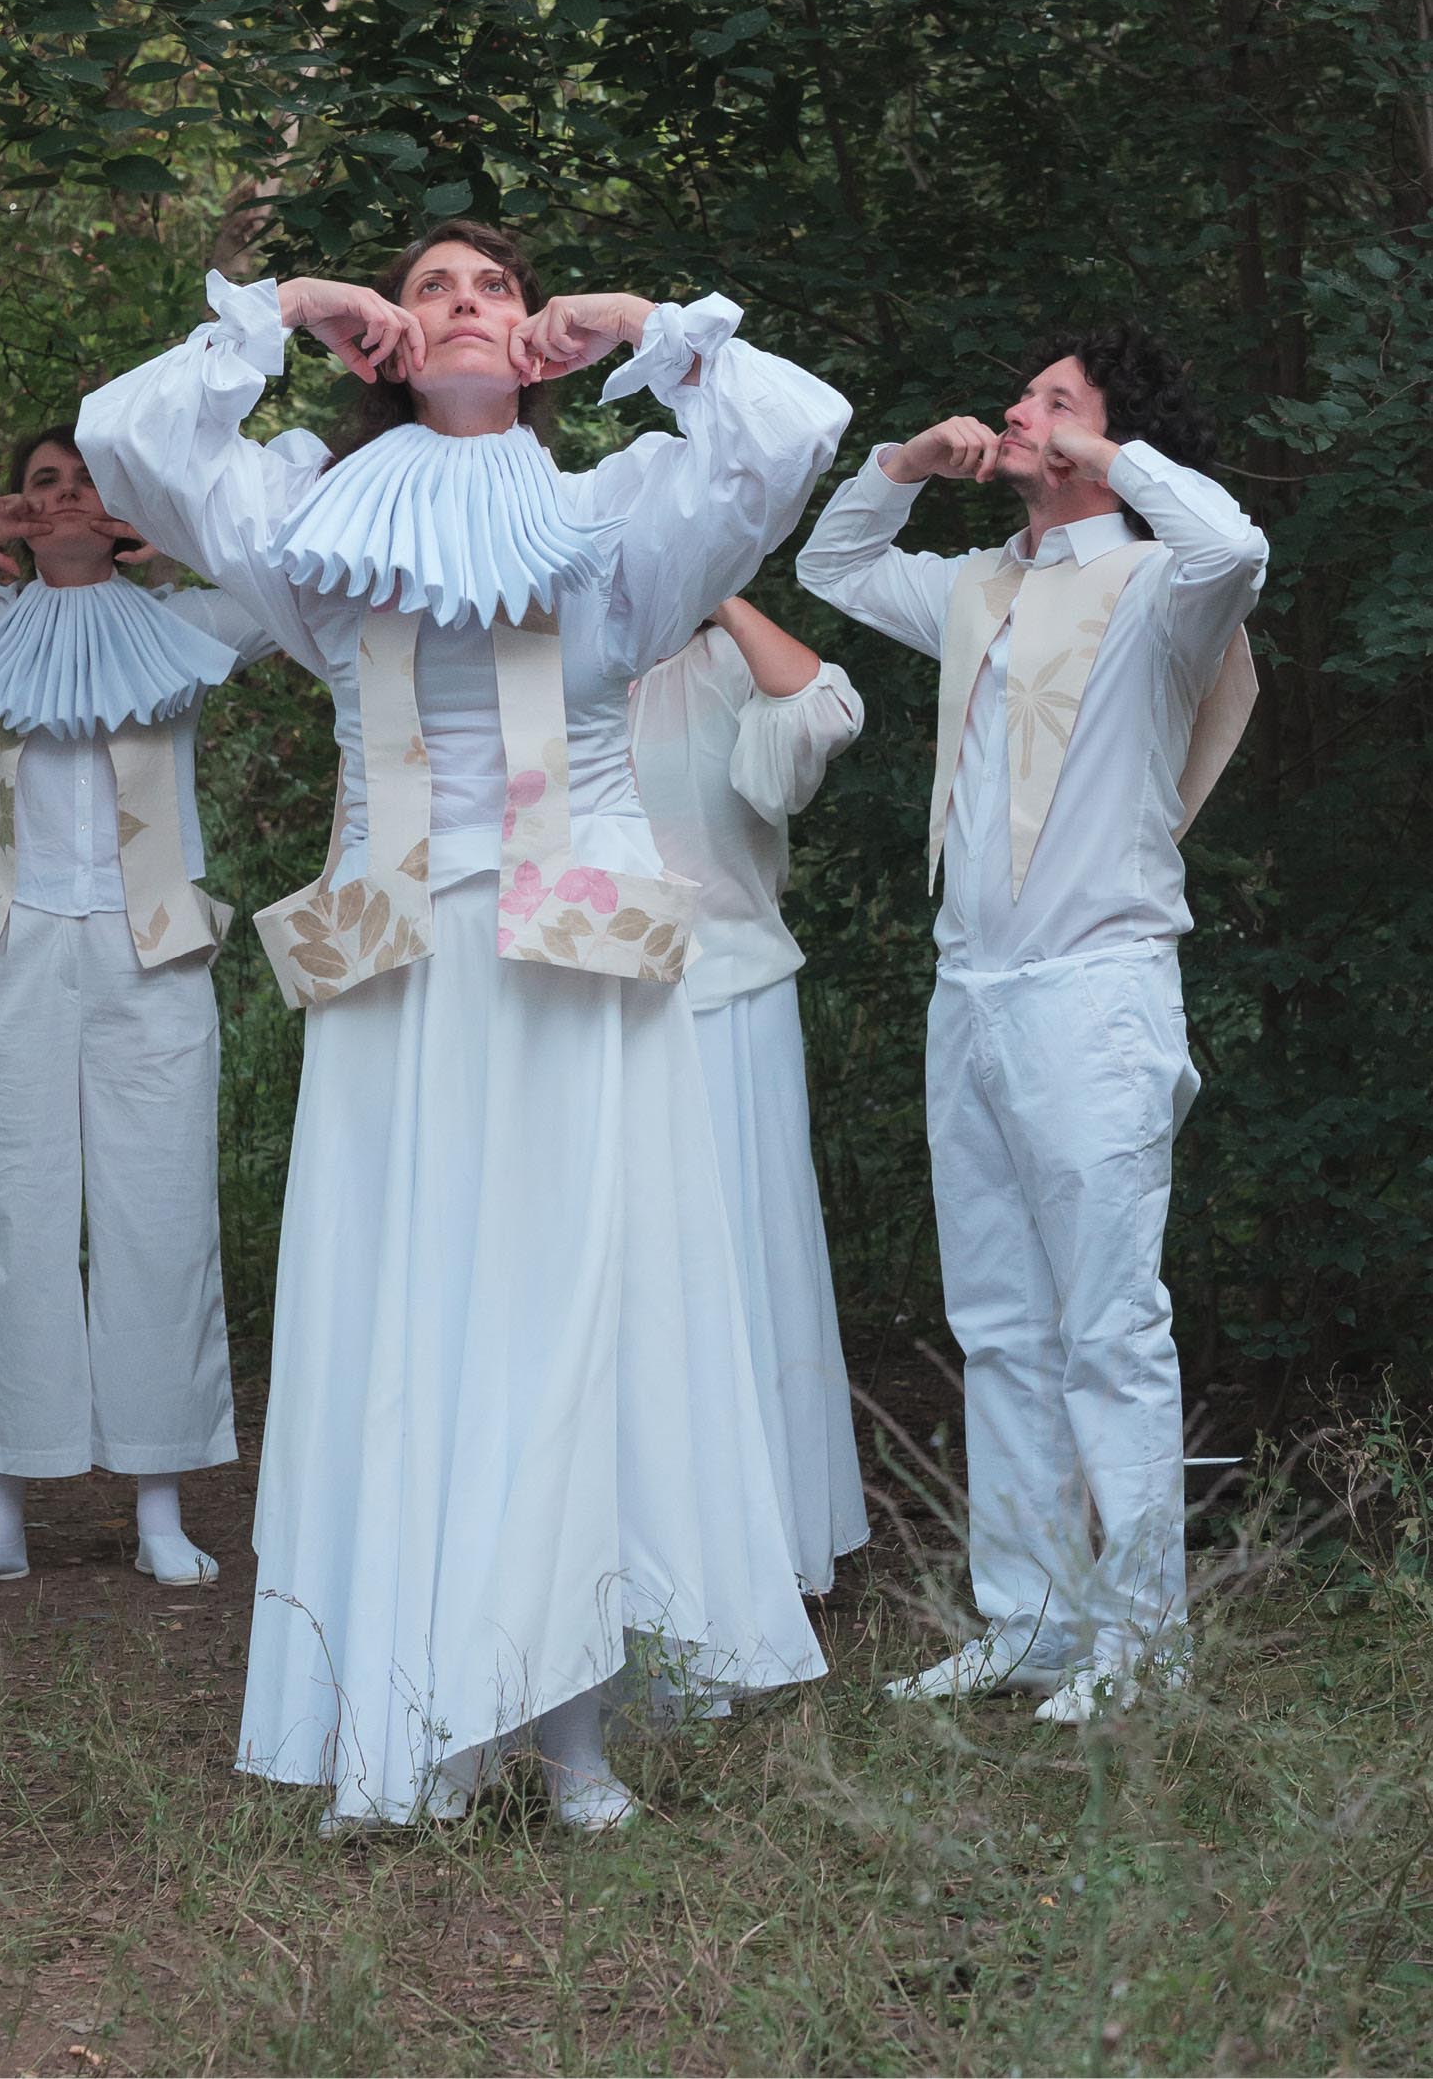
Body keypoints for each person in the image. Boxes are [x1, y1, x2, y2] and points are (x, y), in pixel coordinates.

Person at [78, 221, 850, 1833]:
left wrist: (633, 317)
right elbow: (126, 439)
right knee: (406, 1312)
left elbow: (790, 433)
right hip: (401, 964)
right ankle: (402, 1715)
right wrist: (291, 307)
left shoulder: (611, 516)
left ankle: (572, 1735)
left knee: (570, 1313)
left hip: (573, 960)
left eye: (493, 285)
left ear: (531, 330)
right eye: (432, 286)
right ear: (390, 338)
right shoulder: (311, 514)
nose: (466, 305)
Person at [795, 327, 1266, 1724]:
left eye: (1054, 400)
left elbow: (1236, 545)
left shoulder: (1158, 587)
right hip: (971, 993)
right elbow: (832, 568)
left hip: (1094, 993)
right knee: (999, 1322)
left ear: (1106, 441)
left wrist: (1108, 454)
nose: (1018, 410)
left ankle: (1144, 1638)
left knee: (1109, 1323)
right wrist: (899, 464)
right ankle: (1031, 1620)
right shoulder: (975, 586)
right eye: (1025, 395)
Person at [0, 426, 273, 1596]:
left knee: (159, 1212)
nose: (65, 495)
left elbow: (301, 565)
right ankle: (2, 1510)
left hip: (150, 941)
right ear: (17, 510)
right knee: (11, 1213)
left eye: (88, 481)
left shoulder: (190, 622)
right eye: (43, 481)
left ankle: (160, 1501)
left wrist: (185, 529)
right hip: (3, 938)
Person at [628, 595, 870, 1597]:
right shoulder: (555, 671)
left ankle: (763, 1550)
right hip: (595, 1005)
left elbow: (822, 711)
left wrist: (722, 592)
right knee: (637, 1278)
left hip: (728, 996)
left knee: (739, 1268)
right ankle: (646, 1559)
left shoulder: (726, 662)